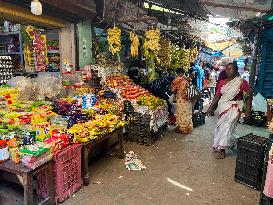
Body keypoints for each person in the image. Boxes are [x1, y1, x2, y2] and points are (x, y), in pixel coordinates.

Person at [207, 63, 252, 159]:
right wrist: (211, 107)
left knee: (227, 126)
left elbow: (248, 98)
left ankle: (222, 149)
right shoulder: (222, 82)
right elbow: (217, 96)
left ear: (236, 70)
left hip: (235, 108)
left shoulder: (241, 82)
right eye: (227, 69)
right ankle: (233, 141)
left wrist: (248, 111)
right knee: (222, 127)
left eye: (231, 69)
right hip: (223, 106)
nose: (228, 70)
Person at [171, 68, 193, 134]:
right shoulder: (187, 79)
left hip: (181, 98)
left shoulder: (177, 80)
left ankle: (182, 128)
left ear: (177, 73)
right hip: (188, 98)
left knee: (181, 112)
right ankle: (188, 127)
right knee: (187, 112)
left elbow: (173, 90)